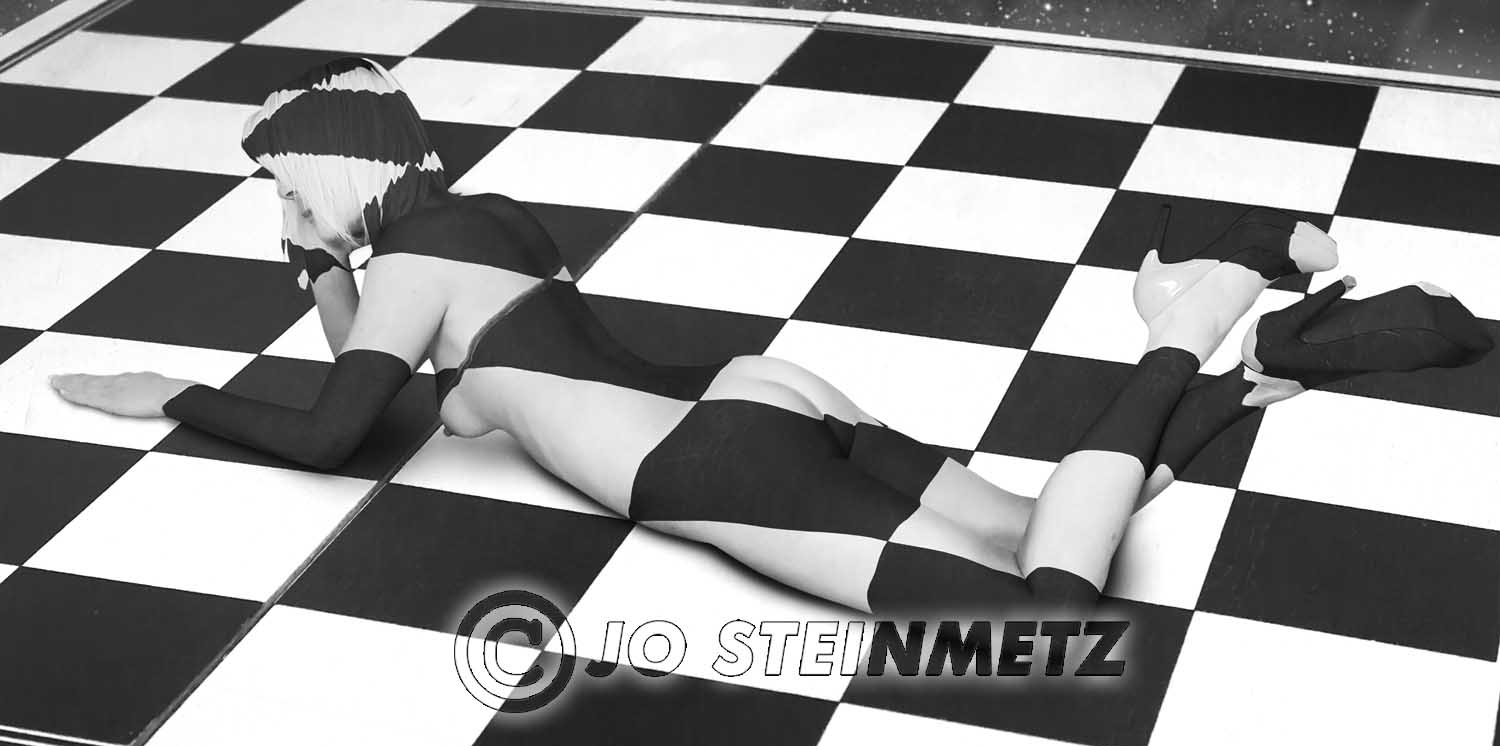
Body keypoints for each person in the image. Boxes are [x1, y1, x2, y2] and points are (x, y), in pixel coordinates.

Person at [51, 58, 1493, 618]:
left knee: (1042, 625)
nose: (283, 208)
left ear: (339, 170)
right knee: (1038, 526)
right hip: (761, 395)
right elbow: (402, 374)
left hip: (712, 464)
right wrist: (317, 268)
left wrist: (174, 394)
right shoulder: (483, 228)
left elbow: (337, 431)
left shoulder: (419, 270)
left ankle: (1204, 308)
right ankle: (1273, 371)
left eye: (287, 186)